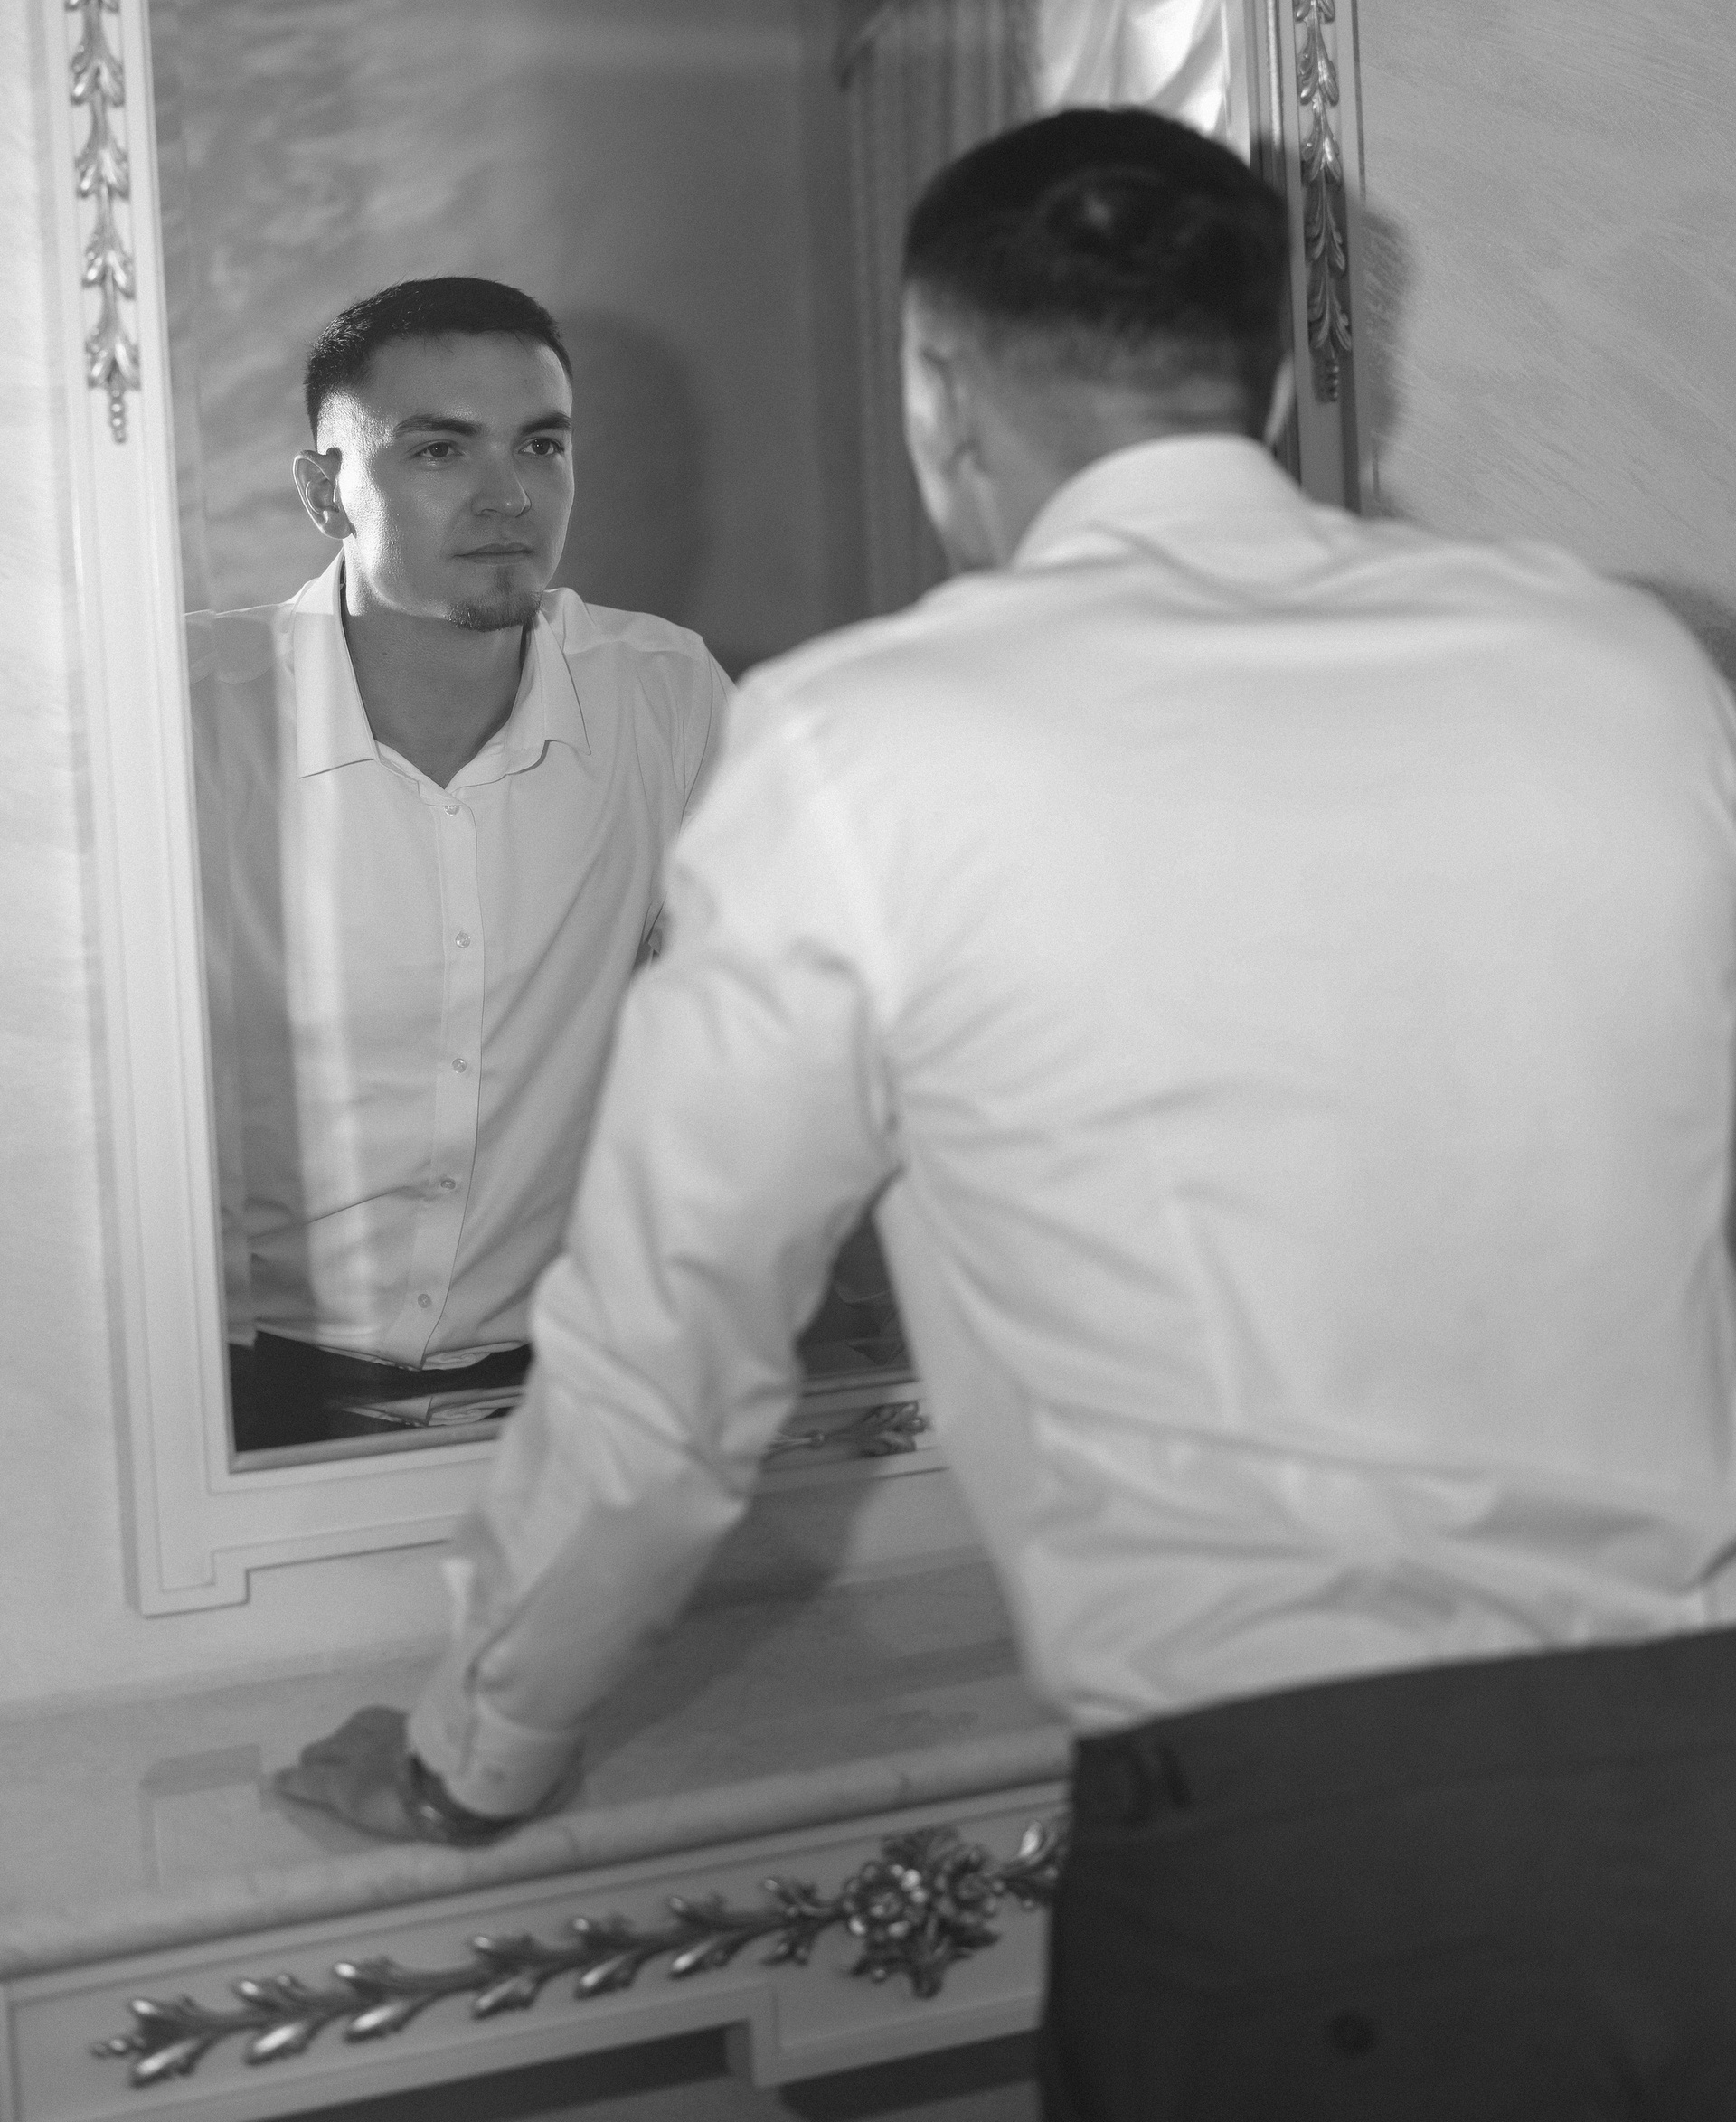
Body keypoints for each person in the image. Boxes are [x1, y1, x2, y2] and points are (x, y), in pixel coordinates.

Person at [282, 119, 1736, 2114]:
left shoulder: (867, 745)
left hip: (1311, 1858)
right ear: (1275, 381)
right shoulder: (1624, 667)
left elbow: (666, 1359)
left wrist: (474, 1754)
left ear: (937, 398)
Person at [193, 276, 729, 1450]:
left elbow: (757, 1043)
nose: (509, 494)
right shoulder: (185, 715)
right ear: (325, 492)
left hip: (565, 1388)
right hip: (227, 1398)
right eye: (440, 450)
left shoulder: (664, 693)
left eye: (542, 444)